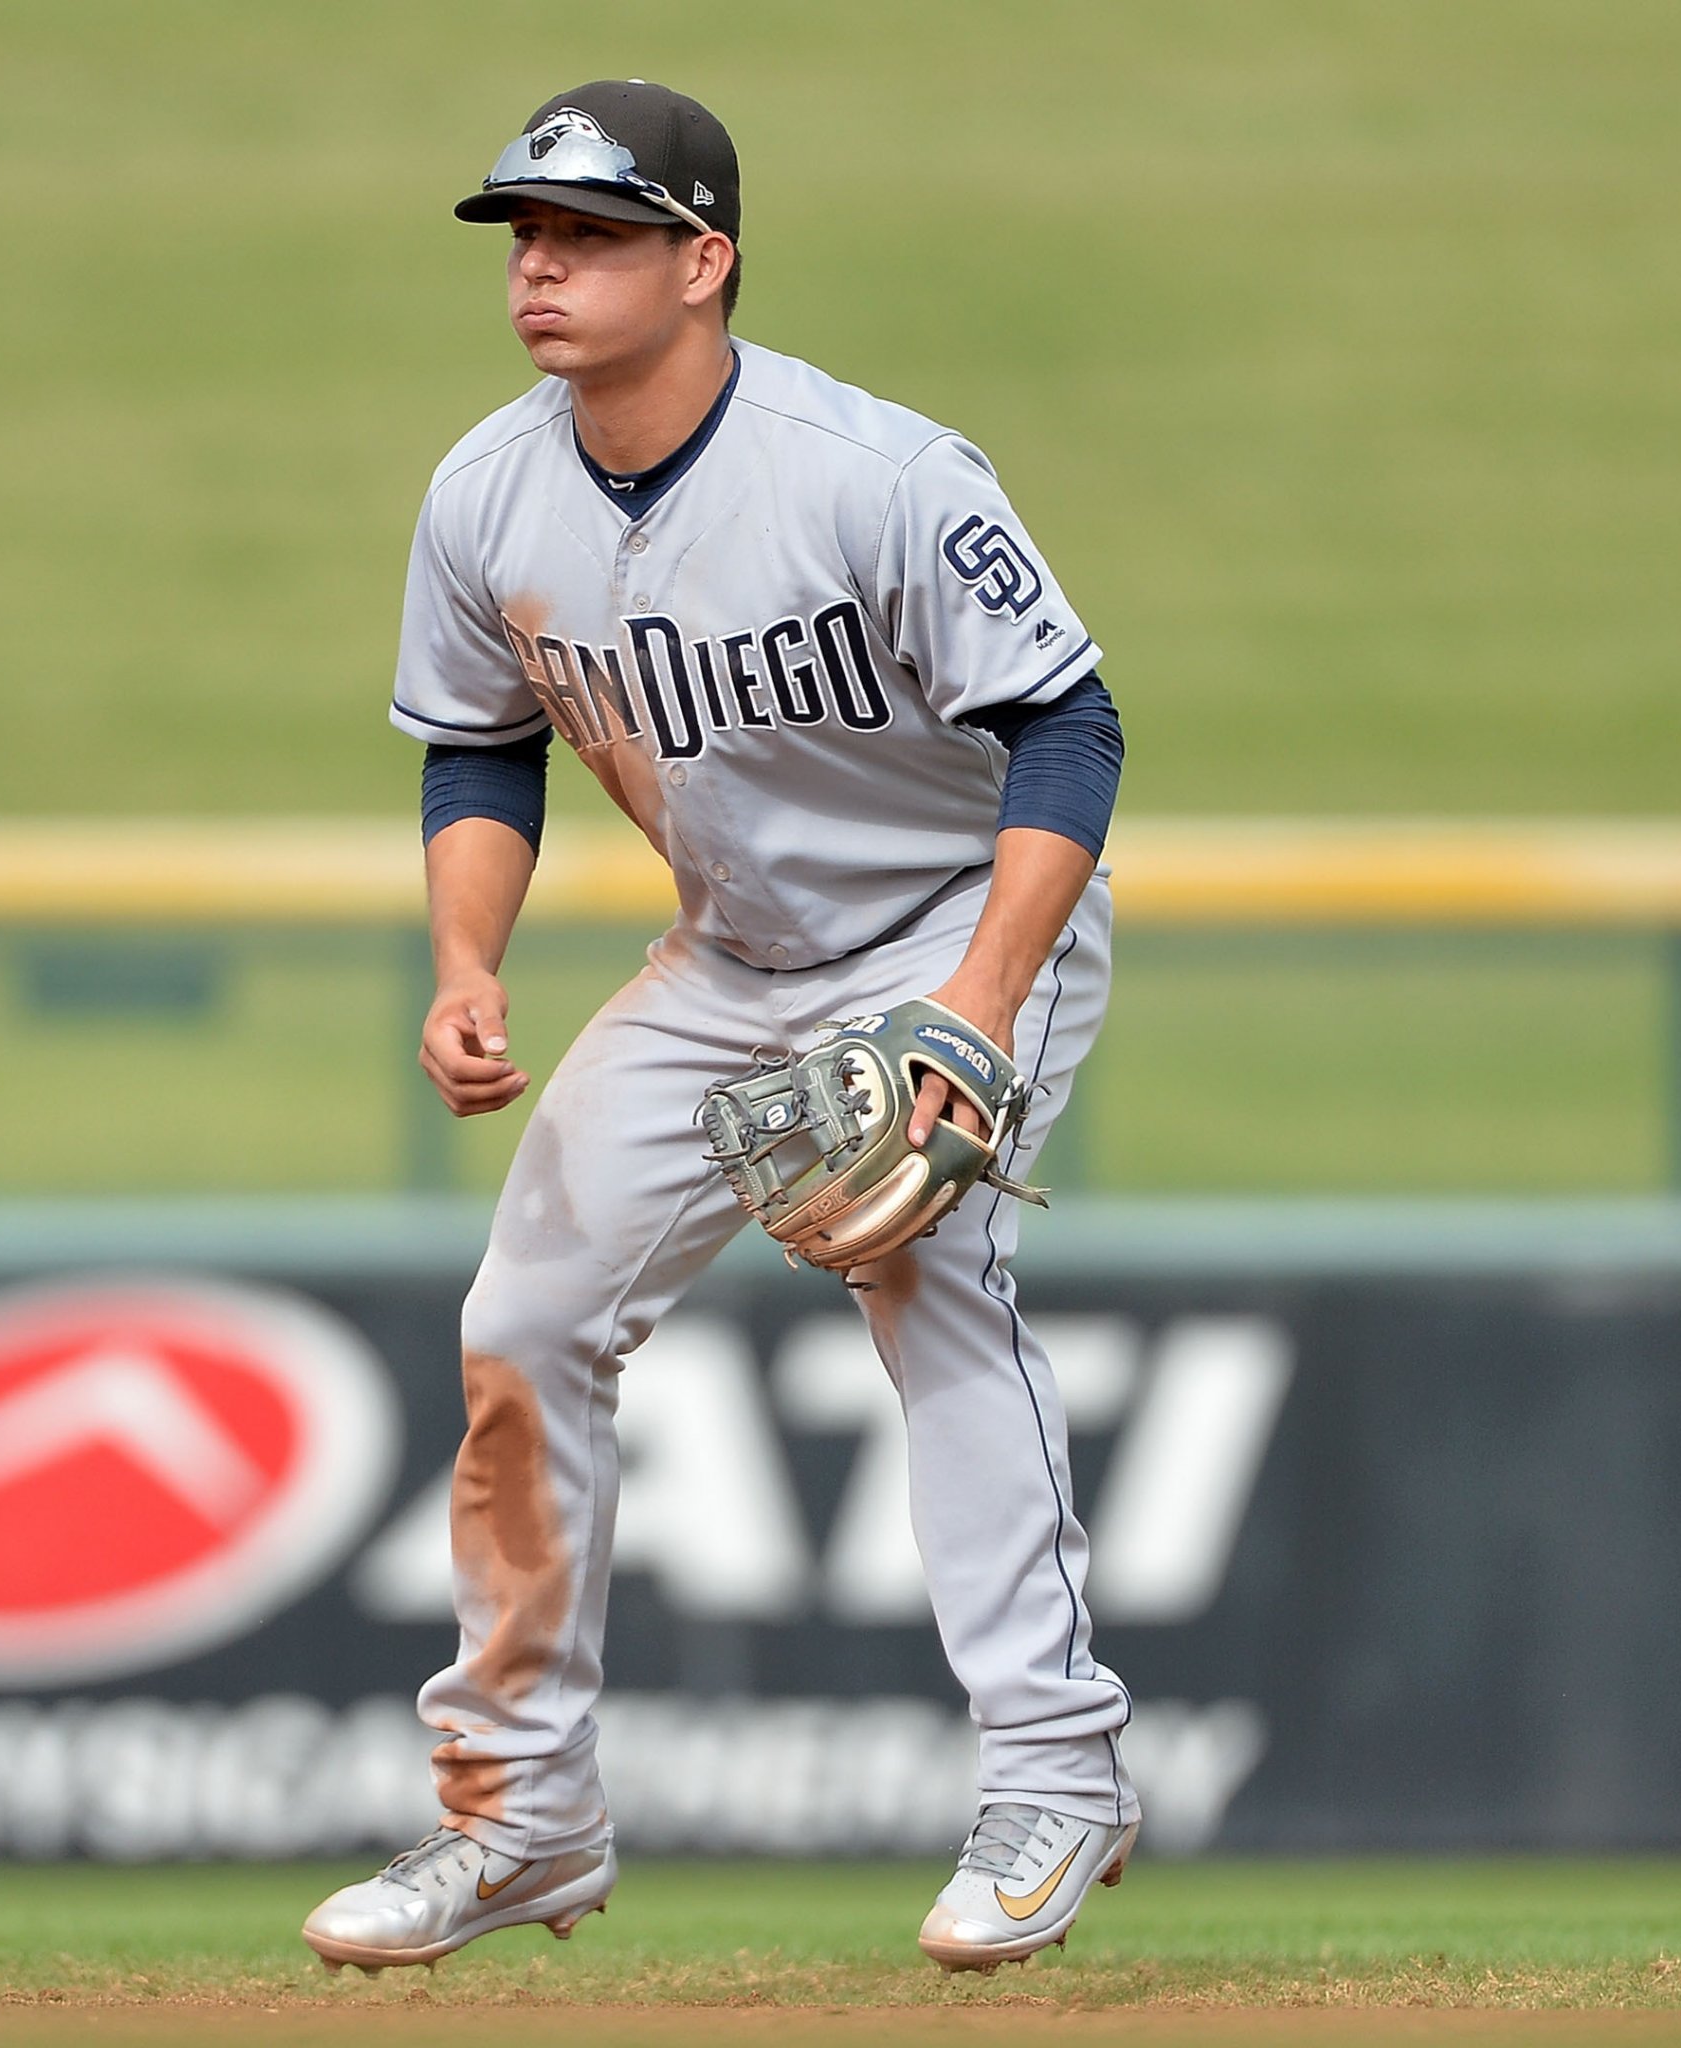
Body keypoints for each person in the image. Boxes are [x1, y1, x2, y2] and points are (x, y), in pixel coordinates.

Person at [300, 79, 1135, 1974]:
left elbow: (1071, 731)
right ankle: (519, 1818)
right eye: (524, 233)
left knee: (932, 1282)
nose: (539, 266)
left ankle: (1058, 1777)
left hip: (956, 919)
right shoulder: (487, 493)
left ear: (705, 258)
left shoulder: (878, 472)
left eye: (588, 234)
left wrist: (971, 1017)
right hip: (732, 951)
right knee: (521, 1320)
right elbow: (479, 746)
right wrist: (464, 966)